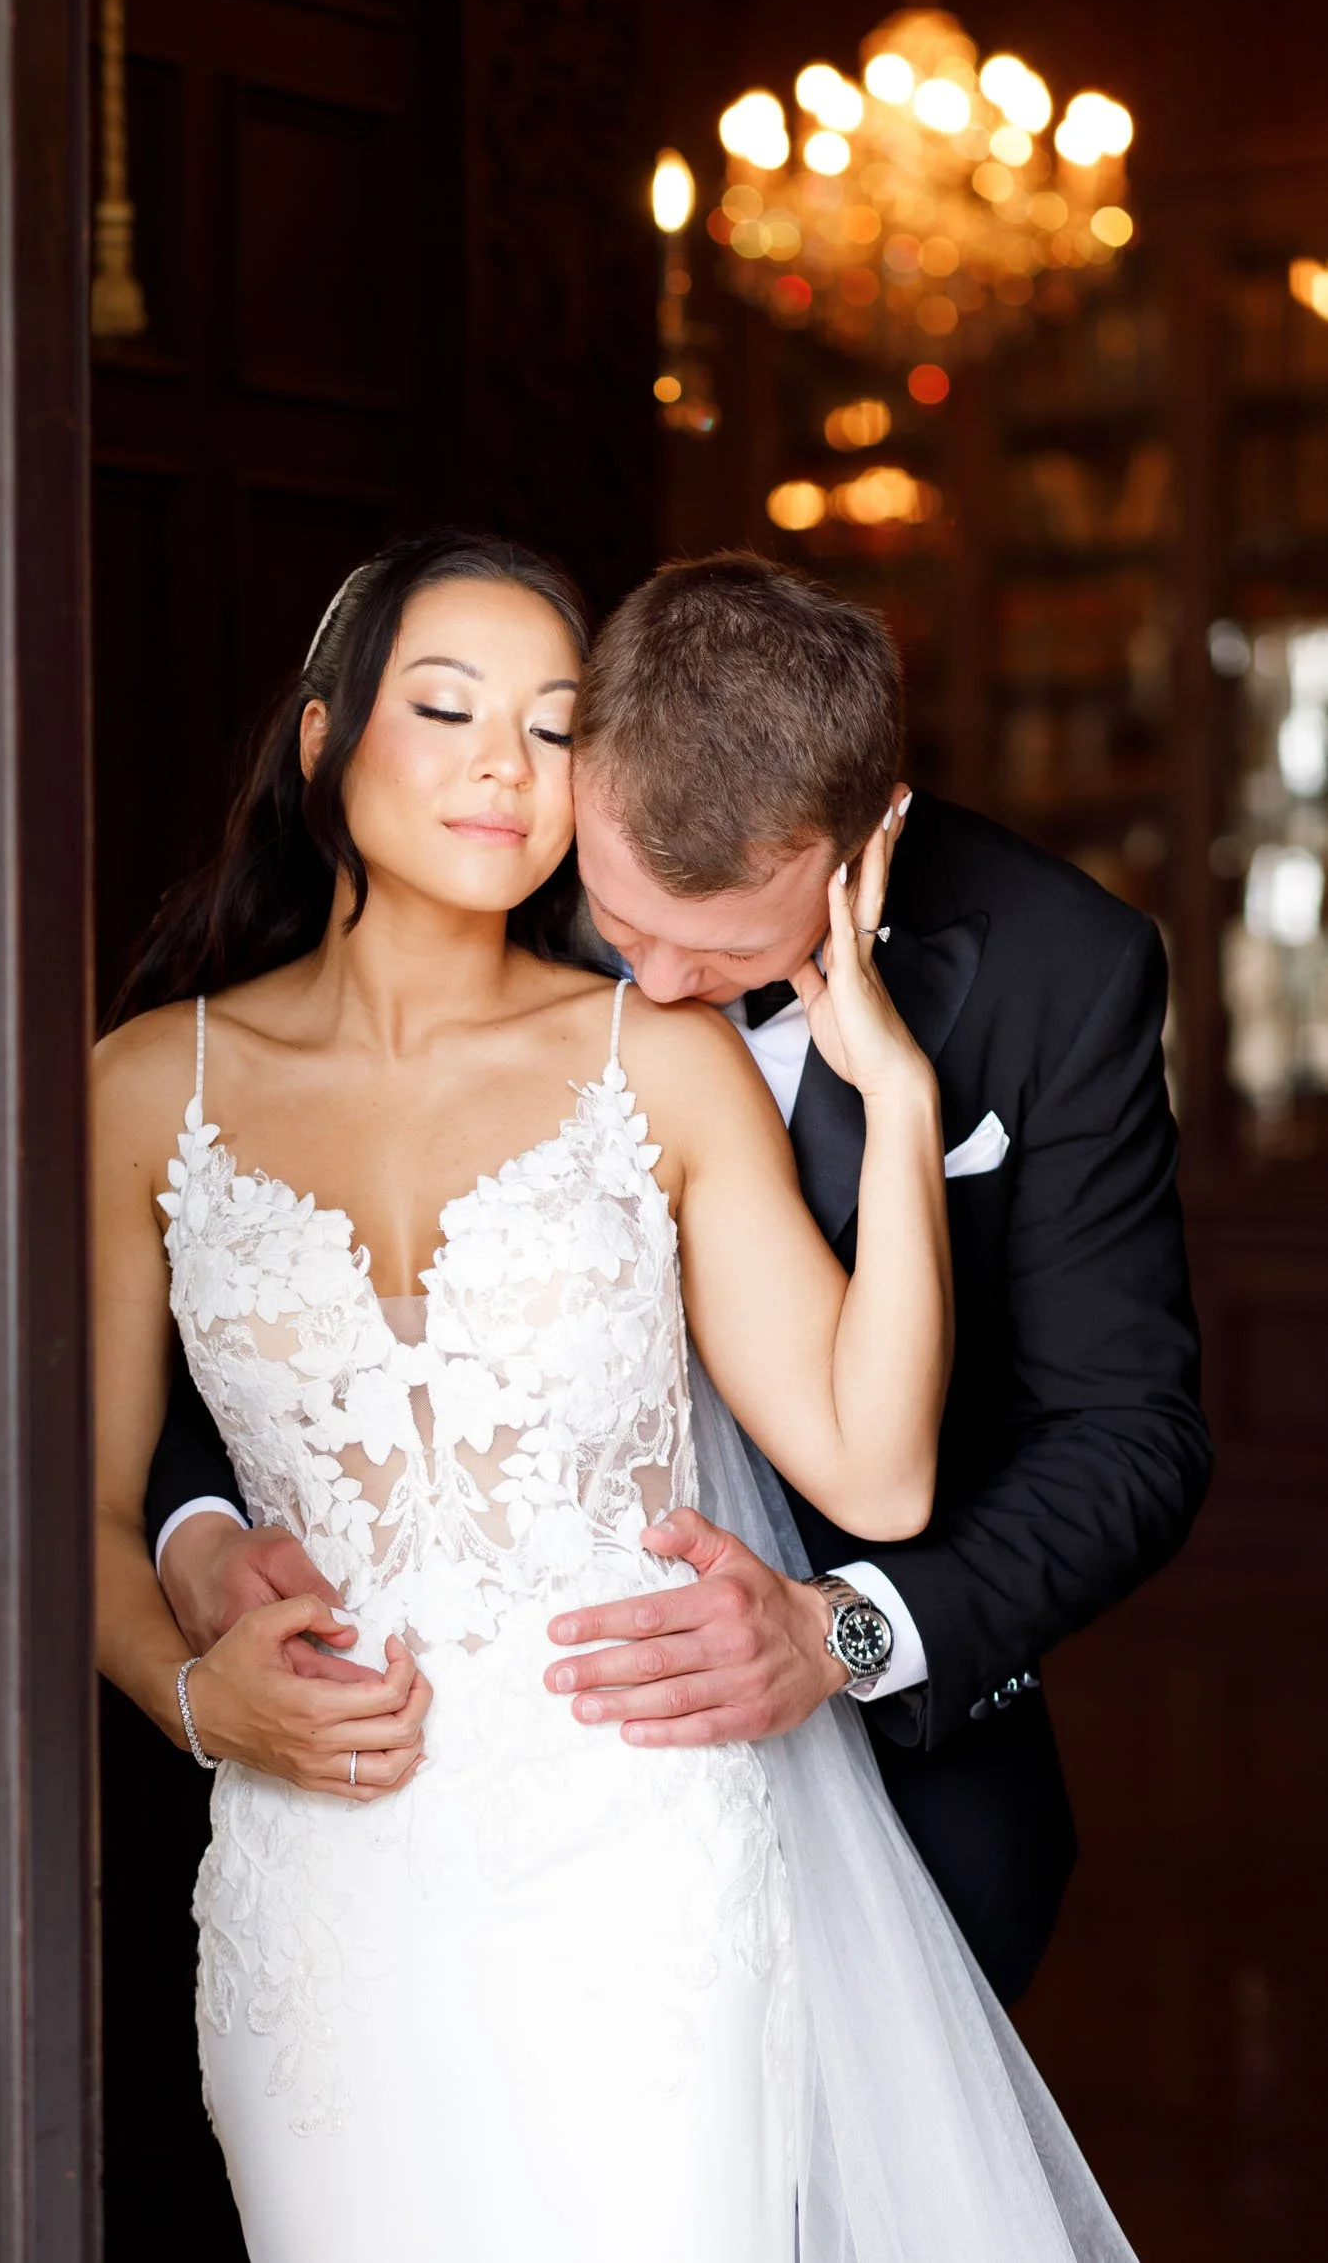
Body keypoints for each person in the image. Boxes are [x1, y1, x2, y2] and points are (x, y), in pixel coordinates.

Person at [95, 530, 1139, 2262]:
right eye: (447, 709)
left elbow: (923, 1473)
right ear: (318, 738)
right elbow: (81, 1488)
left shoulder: (669, 1057)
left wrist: (889, 1096)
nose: (508, 763)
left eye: (554, 727)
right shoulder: (147, 1083)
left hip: (645, 1858)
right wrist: (198, 1682)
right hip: (324, 1882)